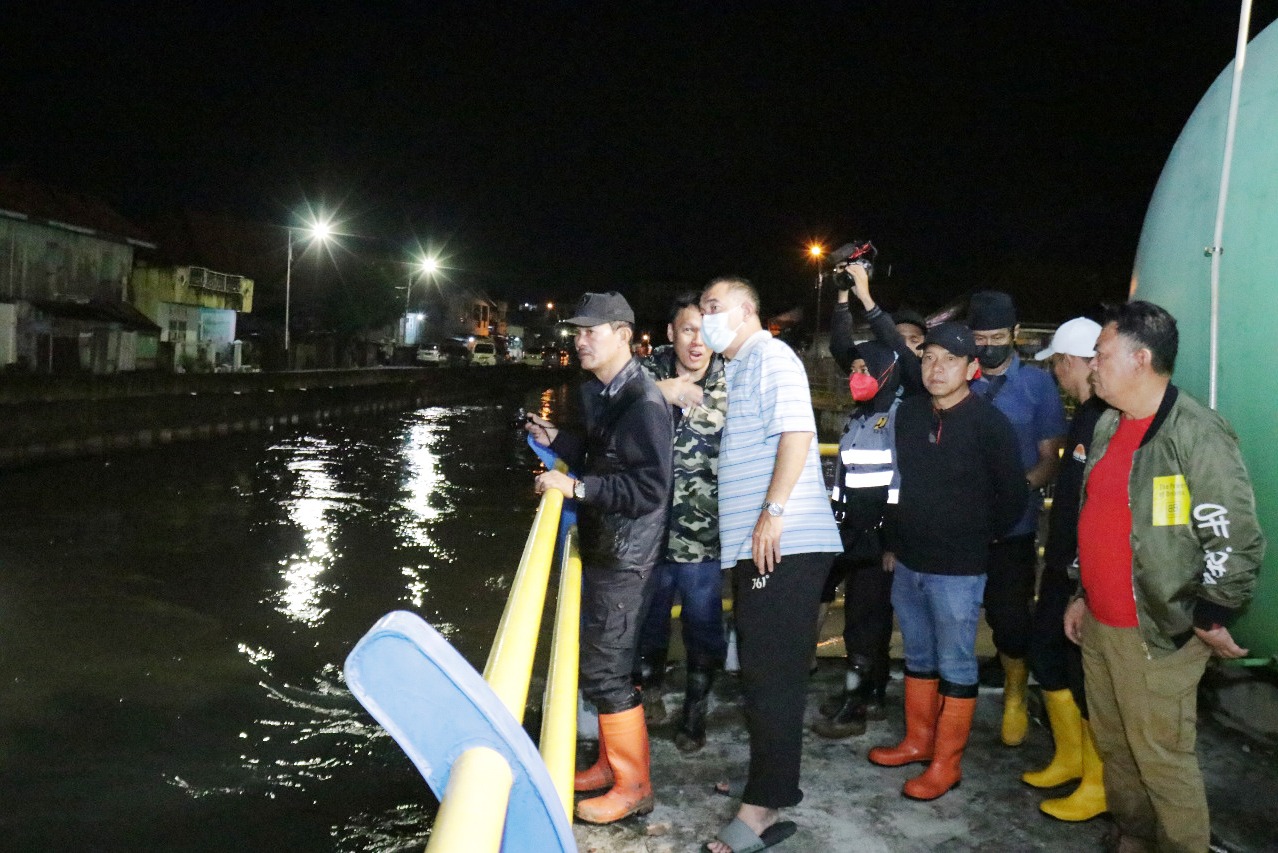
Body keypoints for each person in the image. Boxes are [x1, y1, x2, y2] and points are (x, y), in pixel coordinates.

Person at [1064, 301, 1264, 853]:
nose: (1093, 364)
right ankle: (1135, 837)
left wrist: (1215, 610)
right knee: (1116, 748)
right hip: (1102, 626)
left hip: (1158, 631)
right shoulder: (1108, 423)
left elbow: (1233, 529)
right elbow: (1095, 513)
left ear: (1141, 358)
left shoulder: (1195, 431)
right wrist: (1082, 592)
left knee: (1162, 761)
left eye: (1102, 354)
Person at [699, 276, 842, 853]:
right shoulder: (736, 368)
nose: (706, 317)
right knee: (760, 671)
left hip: (784, 543)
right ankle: (769, 777)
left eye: (714, 307)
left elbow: (798, 434)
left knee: (772, 677)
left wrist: (772, 514)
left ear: (745, 310)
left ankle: (763, 806)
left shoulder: (771, 355)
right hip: (761, 545)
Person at [525, 291, 674, 824]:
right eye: (577, 331)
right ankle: (612, 765)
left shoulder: (643, 402)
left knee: (608, 671)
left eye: (591, 331)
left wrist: (576, 488)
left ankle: (634, 786)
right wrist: (557, 437)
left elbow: (650, 489)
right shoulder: (611, 391)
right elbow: (601, 453)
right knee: (604, 664)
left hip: (627, 558)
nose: (579, 339)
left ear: (622, 335)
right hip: (610, 549)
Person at [868, 322, 1027, 800]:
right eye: (929, 358)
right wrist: (893, 541)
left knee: (956, 661)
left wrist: (976, 541)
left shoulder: (990, 424)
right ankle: (918, 740)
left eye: (949, 360)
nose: (936, 369)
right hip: (909, 561)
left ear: (971, 369)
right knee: (917, 657)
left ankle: (947, 763)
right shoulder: (910, 415)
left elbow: (1013, 497)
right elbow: (898, 486)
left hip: (959, 567)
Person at [967, 290, 1067, 747]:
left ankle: (1014, 695)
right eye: (980, 337)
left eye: (997, 336)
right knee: (954, 614)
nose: (988, 345)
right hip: (959, 527)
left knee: (1010, 618)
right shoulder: (955, 377)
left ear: (1015, 334)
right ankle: (954, 702)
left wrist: (1016, 488)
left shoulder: (1038, 385)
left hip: (1014, 526)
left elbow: (1050, 457)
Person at [1021, 317, 1109, 821]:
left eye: (1057, 362)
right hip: (1062, 565)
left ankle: (1098, 781)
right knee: (1047, 656)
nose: (1055, 371)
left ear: (1072, 362)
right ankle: (1070, 757)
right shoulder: (1085, 416)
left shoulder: (1104, 418)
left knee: (1085, 675)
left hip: (1086, 572)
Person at [634, 292, 728, 753]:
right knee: (645, 615)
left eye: (706, 331)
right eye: (688, 329)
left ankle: (696, 703)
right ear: (670, 333)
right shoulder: (642, 375)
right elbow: (599, 409)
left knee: (703, 619)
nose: (698, 340)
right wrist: (657, 393)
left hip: (704, 535)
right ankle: (647, 689)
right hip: (645, 531)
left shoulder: (735, 380)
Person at [811, 339, 901, 740]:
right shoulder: (859, 417)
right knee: (860, 619)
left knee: (867, 621)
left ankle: (859, 705)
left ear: (885, 372)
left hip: (878, 536)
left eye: (866, 369)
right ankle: (865, 693)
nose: (857, 376)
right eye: (855, 369)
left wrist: (893, 541)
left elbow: (901, 483)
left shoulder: (897, 418)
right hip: (849, 531)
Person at [829, 258, 926, 397]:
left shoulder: (923, 378)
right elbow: (840, 345)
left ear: (924, 348)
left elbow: (900, 349)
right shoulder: (873, 369)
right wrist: (843, 290)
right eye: (899, 336)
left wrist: (865, 297)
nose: (905, 343)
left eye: (914, 340)